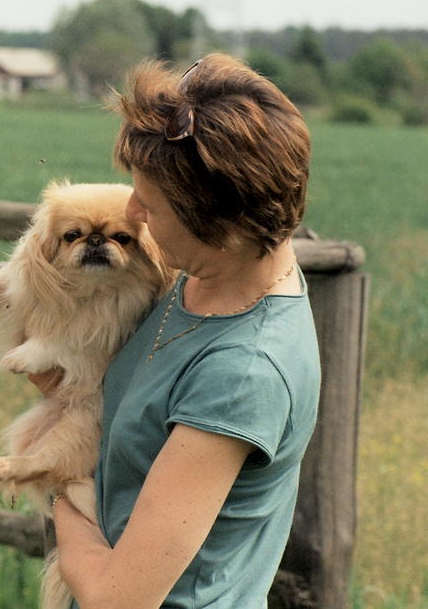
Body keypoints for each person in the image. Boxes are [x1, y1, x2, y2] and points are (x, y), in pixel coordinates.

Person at [50, 53, 320, 608]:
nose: (133, 212)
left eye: (151, 203)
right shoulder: (198, 282)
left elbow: (115, 600)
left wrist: (58, 482)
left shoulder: (243, 372)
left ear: (220, 221)